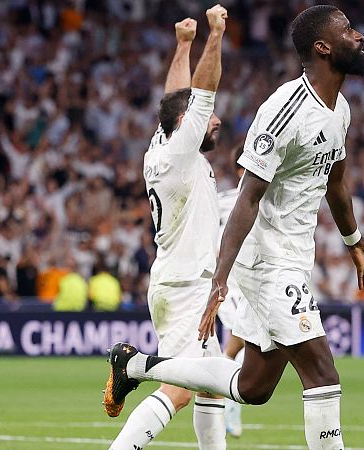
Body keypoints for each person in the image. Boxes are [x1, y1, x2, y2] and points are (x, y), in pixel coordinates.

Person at [105, 6, 364, 449]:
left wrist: (353, 240)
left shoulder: (340, 110)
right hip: (265, 263)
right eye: (348, 31)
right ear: (323, 47)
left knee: (252, 388)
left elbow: (335, 178)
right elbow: (247, 197)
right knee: (321, 372)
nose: (359, 36)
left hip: (291, 258)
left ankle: (137, 366)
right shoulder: (284, 110)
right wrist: (221, 280)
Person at [103, 7, 229, 450]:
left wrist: (182, 44)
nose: (216, 121)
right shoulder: (180, 153)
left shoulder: (161, 145)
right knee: (179, 388)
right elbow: (202, 91)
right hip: (185, 287)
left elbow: (175, 96)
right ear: (186, 124)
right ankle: (130, 369)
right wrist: (215, 34)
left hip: (179, 282)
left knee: (211, 389)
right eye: (206, 118)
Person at [215, 145, 248, 437]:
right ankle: (225, 401)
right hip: (229, 283)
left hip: (252, 283)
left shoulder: (262, 199)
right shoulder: (222, 201)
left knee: (245, 343)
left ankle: (222, 395)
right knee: (239, 339)